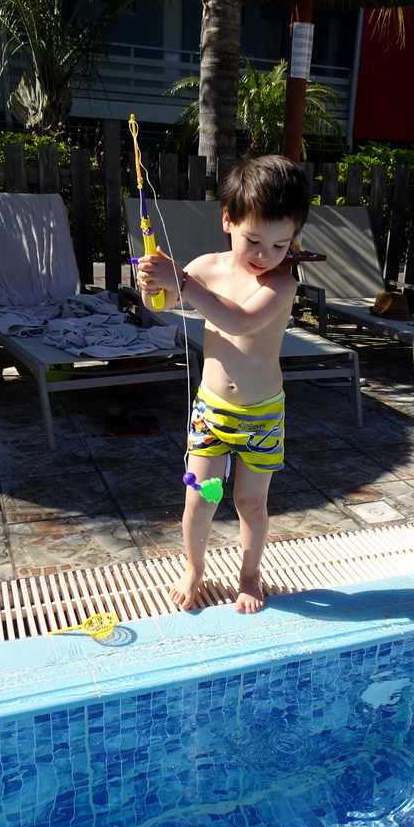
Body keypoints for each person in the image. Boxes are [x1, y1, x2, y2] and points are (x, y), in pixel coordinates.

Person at [136, 153, 311, 614]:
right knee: (203, 499)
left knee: (250, 503)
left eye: (280, 244)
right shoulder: (207, 269)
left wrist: (185, 286)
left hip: (261, 418)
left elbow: (240, 322)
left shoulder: (282, 285)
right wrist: (153, 283)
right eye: (254, 239)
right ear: (228, 220)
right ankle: (194, 568)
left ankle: (250, 575)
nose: (265, 255)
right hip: (213, 413)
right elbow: (161, 303)